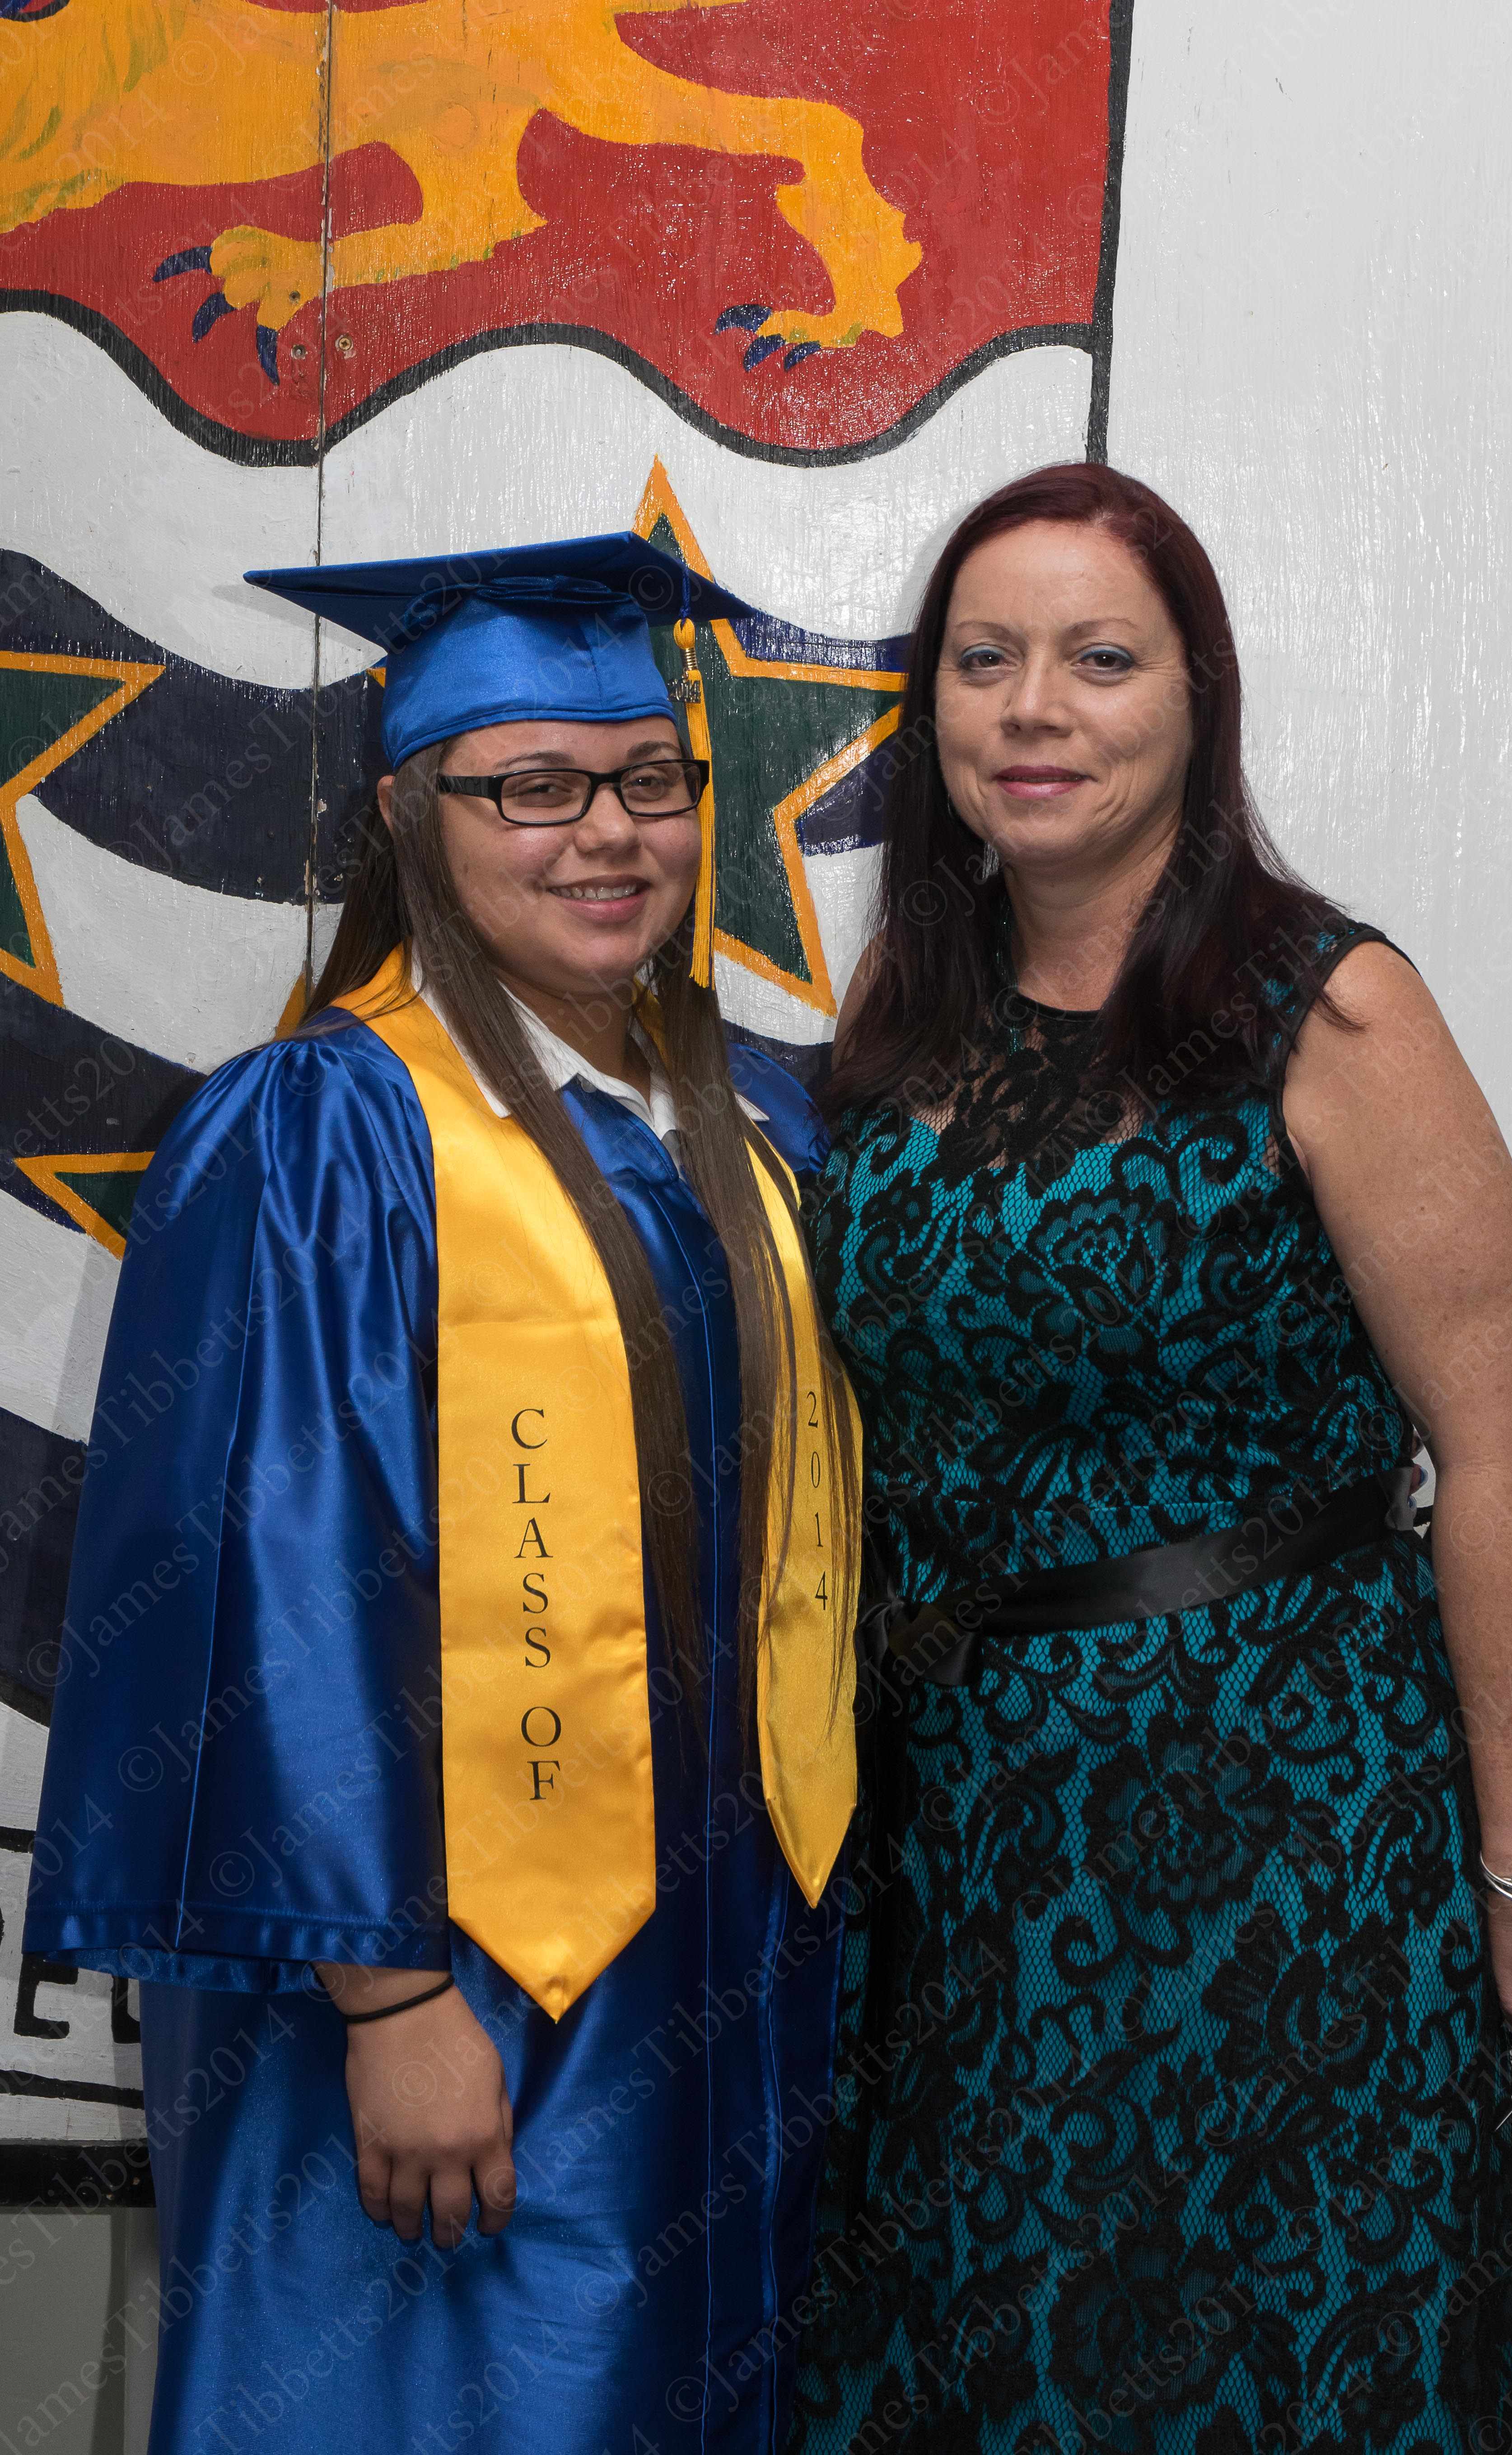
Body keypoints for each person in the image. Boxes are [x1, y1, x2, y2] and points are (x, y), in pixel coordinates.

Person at [787, 465, 1512, 2455]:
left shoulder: (1325, 1009)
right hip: (959, 1840)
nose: (1031, 709)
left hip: (1276, 1839)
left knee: (1272, 2359)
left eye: (1098, 661)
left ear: (1195, 702)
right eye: (982, 661)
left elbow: (1499, 1454)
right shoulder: (902, 1024)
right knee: (988, 2358)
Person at [25, 533, 861, 2455]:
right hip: (447, 1967)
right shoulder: (322, 1129)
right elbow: (276, 1564)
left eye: (648, 780)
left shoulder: (750, 1123)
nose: (608, 833)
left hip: (721, 1947)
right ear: (411, 815)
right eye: (532, 787)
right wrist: (390, 1997)